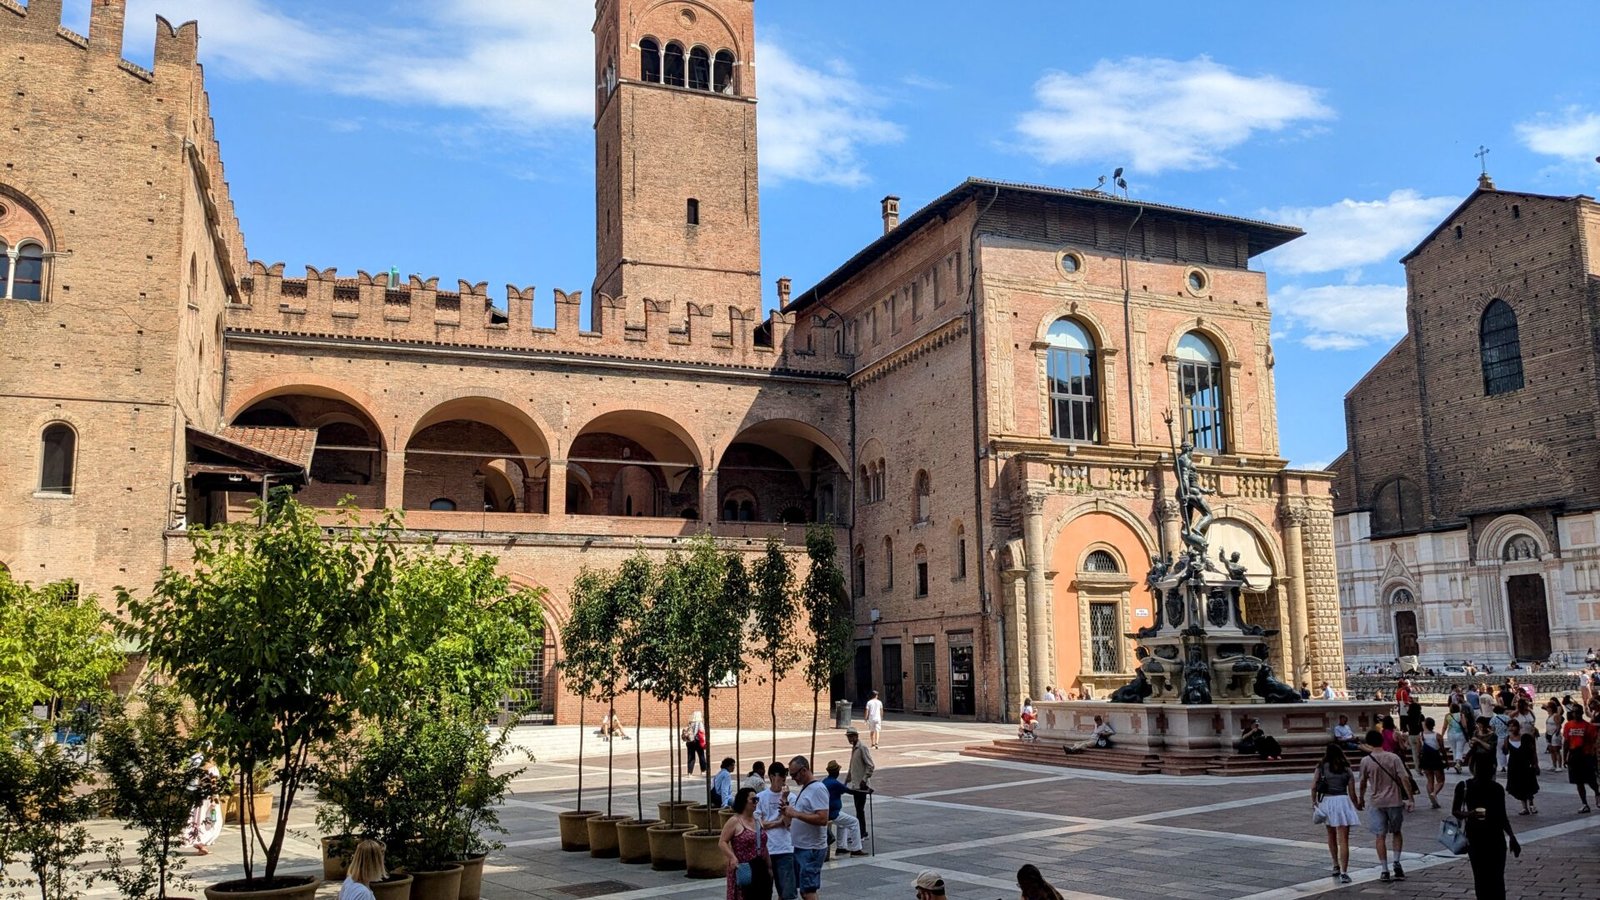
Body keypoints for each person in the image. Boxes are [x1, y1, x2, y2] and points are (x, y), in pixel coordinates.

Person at [1452, 756, 1521, 900]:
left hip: (1476, 836)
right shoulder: (1496, 788)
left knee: (1480, 876)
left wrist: (1469, 814)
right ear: (1492, 770)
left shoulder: (1464, 786)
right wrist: (1512, 836)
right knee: (1496, 877)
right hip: (1494, 836)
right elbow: (1502, 816)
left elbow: (1456, 812)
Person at [1357, 728, 1415, 883]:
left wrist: (1361, 798)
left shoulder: (1366, 761)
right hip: (1394, 800)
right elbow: (1404, 778)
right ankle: (1396, 862)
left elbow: (1362, 782)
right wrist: (1410, 799)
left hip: (1376, 802)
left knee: (1380, 836)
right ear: (1382, 741)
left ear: (1368, 743)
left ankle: (1384, 869)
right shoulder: (1393, 758)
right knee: (1396, 831)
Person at [781, 755, 830, 900]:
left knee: (809, 889)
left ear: (804, 770)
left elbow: (822, 818)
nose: (793, 778)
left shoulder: (817, 789)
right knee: (804, 890)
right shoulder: (807, 789)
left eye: (794, 774)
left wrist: (795, 813)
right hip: (803, 846)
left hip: (811, 848)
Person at [1311, 743, 1360, 884]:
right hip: (1343, 801)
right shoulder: (1346, 767)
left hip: (1327, 801)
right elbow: (1352, 792)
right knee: (1344, 839)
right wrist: (1357, 804)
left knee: (1331, 834)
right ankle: (1344, 872)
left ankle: (1335, 865)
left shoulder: (1321, 766)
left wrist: (1313, 802)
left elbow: (1314, 785)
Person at [719, 786, 771, 900]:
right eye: (753, 800)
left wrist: (769, 867)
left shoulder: (757, 820)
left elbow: (763, 845)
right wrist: (732, 857)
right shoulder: (734, 821)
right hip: (743, 867)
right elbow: (722, 842)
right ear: (743, 801)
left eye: (757, 799)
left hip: (760, 866)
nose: (756, 802)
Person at [757, 763, 798, 900]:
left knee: (787, 892)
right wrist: (777, 822)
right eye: (780, 776)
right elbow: (759, 824)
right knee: (763, 891)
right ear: (771, 777)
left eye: (784, 776)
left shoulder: (790, 797)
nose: (783, 780)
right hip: (766, 849)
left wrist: (784, 799)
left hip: (785, 848)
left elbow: (788, 823)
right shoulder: (761, 797)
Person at [820, 761, 865, 856]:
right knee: (854, 822)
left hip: (828, 811)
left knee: (842, 824)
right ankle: (856, 849)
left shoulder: (826, 781)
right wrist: (864, 791)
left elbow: (841, 789)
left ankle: (841, 847)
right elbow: (850, 791)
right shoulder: (834, 783)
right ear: (836, 772)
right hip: (833, 813)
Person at [184, 754, 223, 855]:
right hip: (209, 796)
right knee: (213, 820)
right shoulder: (212, 769)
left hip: (200, 796)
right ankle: (202, 842)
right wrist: (214, 799)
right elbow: (213, 784)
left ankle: (200, 842)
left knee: (199, 818)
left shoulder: (199, 769)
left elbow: (198, 783)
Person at [1561, 707, 1598, 812]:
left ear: (1581, 713)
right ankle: (1584, 803)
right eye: (1574, 713)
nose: (1576, 715)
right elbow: (1566, 742)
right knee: (1578, 782)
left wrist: (1592, 755)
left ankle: (1597, 793)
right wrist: (1565, 757)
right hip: (1574, 755)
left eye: (1577, 713)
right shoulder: (1568, 725)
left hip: (1585, 755)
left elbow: (1593, 742)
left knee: (1591, 780)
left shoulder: (1588, 726)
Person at [1503, 718, 1539, 815]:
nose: (1511, 728)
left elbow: (1532, 752)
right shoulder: (1507, 739)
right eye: (1509, 726)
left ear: (1518, 727)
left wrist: (1535, 764)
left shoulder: (1525, 737)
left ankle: (1531, 804)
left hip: (1525, 765)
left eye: (1513, 726)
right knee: (1518, 787)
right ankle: (1524, 807)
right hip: (1514, 766)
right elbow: (1505, 751)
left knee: (1528, 785)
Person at [845, 727, 874, 838]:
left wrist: (864, 779)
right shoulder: (854, 748)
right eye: (848, 737)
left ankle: (862, 832)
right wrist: (847, 780)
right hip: (855, 785)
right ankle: (861, 831)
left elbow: (870, 765)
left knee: (860, 809)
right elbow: (852, 766)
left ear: (856, 736)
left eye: (851, 736)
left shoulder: (862, 748)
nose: (849, 739)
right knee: (858, 809)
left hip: (861, 785)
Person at [1418, 717, 1447, 808]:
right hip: (1436, 758)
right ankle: (1434, 793)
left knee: (1430, 780)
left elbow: (1419, 750)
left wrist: (1419, 761)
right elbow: (1442, 749)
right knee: (1441, 780)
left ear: (1426, 725)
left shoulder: (1421, 735)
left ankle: (1432, 799)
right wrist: (1446, 759)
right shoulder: (1438, 736)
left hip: (1425, 759)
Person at [1444, 703, 1469, 773]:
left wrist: (1442, 734)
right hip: (1460, 734)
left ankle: (1456, 763)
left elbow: (1444, 726)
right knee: (1459, 750)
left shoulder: (1448, 716)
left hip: (1451, 734)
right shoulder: (1461, 715)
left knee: (1454, 749)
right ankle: (1458, 764)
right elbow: (1464, 725)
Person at [1544, 699, 1565, 771]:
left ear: (1551, 708)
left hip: (1554, 734)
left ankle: (1559, 766)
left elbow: (1559, 725)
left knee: (1556, 750)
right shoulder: (1549, 715)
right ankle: (1554, 765)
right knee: (1551, 750)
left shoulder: (1555, 716)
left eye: (1548, 707)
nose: (1547, 709)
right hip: (1548, 734)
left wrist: (1556, 733)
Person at [684, 710, 708, 775]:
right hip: (697, 742)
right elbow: (702, 731)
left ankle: (689, 772)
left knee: (691, 757)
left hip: (690, 742)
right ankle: (703, 770)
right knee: (701, 756)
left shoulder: (690, 723)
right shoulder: (699, 723)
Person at [1489, 705, 1512, 770]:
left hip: (1499, 737)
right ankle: (1510, 764)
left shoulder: (1493, 719)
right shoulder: (1508, 718)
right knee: (1509, 751)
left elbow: (1492, 729)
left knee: (1500, 752)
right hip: (1508, 737)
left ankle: (1503, 766)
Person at [1402, 700, 1425, 766]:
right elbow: (1423, 727)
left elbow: (1407, 727)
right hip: (1419, 735)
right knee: (1420, 752)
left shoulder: (1408, 716)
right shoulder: (1421, 716)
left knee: (1414, 753)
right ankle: (1422, 766)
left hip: (1411, 735)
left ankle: (1417, 767)